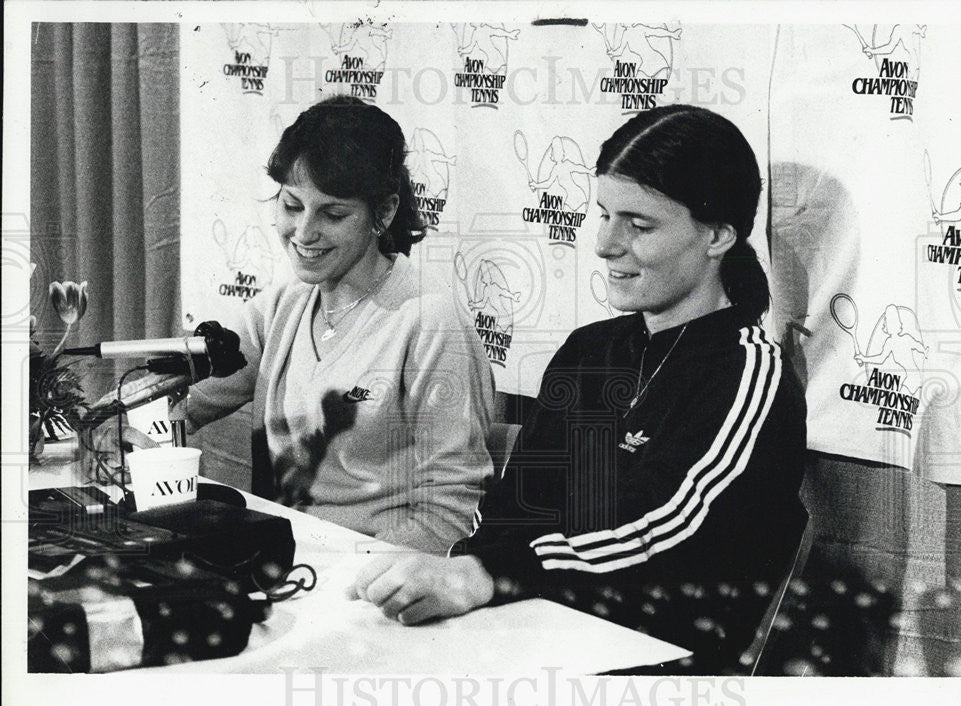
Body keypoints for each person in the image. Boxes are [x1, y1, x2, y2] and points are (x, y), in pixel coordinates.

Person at [347, 105, 808, 672]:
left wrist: (484, 574)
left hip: (659, 679)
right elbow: (510, 512)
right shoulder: (591, 351)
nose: (605, 244)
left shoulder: (750, 371)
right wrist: (453, 571)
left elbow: (665, 530)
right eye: (604, 215)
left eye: (639, 225)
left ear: (717, 235)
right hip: (526, 636)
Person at [187, 96, 495, 554]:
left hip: (374, 579)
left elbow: (451, 512)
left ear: (384, 213)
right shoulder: (282, 305)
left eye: (332, 215)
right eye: (292, 206)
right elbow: (186, 398)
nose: (304, 233)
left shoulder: (432, 322)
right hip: (287, 564)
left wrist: (350, 577)